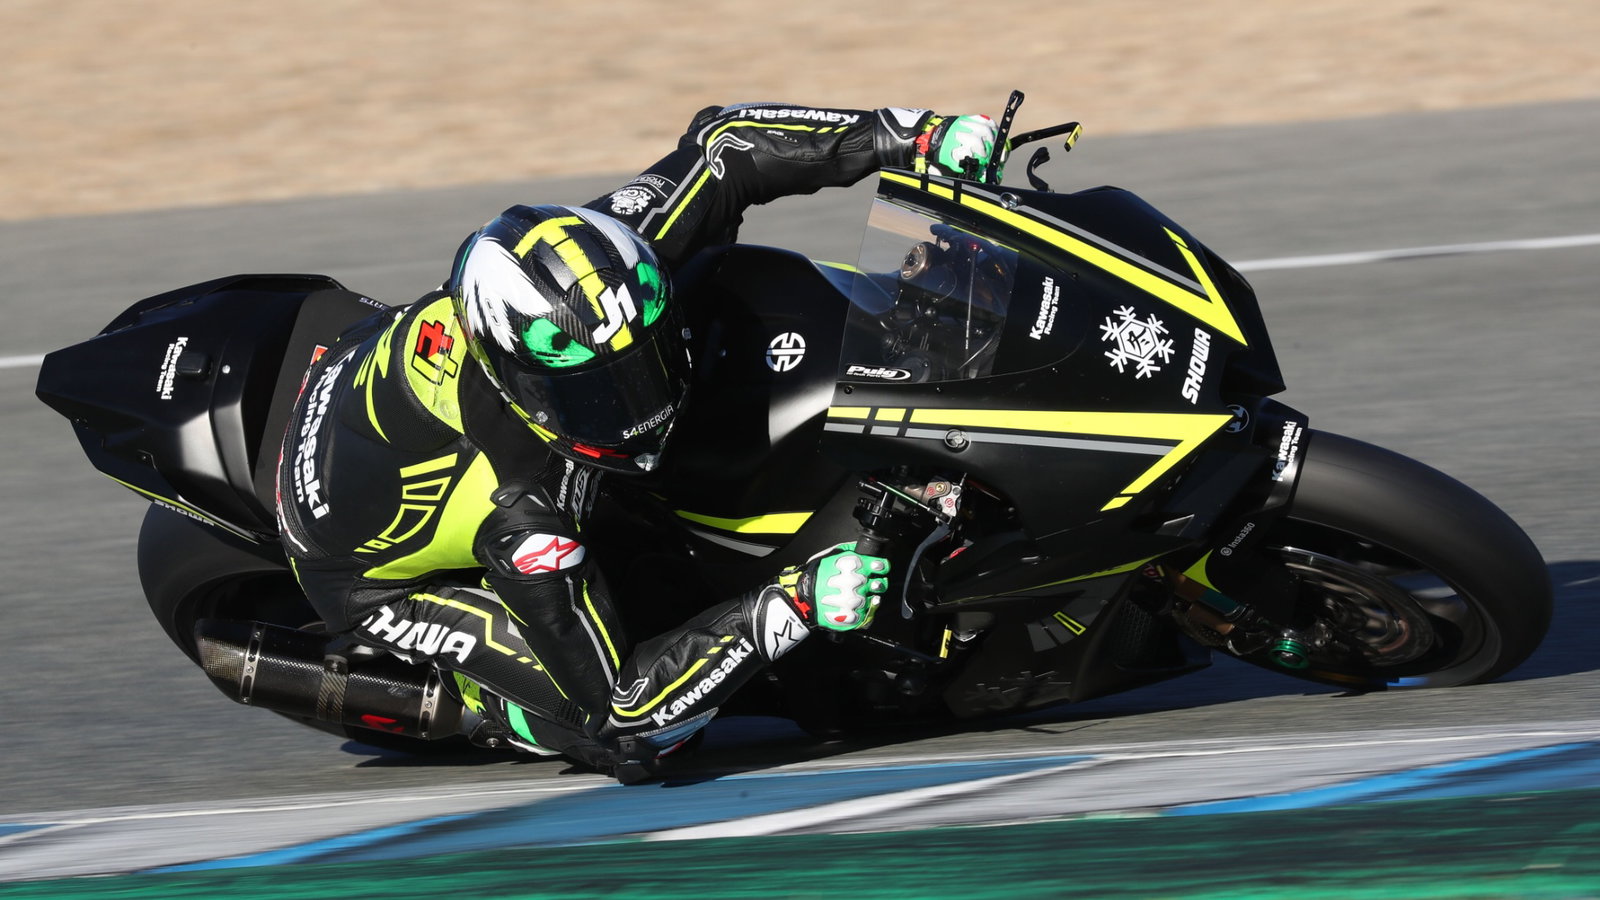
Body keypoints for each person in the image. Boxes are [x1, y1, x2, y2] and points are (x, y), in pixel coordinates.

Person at [274, 102, 1000, 779]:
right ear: (519, 384)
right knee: (635, 741)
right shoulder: (521, 512)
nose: (636, 411)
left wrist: (910, 135)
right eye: (596, 396)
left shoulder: (609, 263)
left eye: (643, 368)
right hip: (362, 569)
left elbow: (725, 144)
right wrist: (794, 603)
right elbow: (628, 706)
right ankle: (493, 710)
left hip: (363, 369)